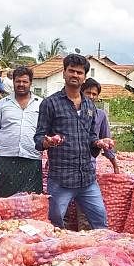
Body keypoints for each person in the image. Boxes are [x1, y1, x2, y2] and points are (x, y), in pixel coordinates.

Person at [33, 53, 115, 229]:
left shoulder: (90, 106)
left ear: (84, 77)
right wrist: (47, 142)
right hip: (61, 179)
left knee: (100, 222)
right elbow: (38, 139)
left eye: (79, 72)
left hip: (87, 179)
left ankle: (102, 254)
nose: (75, 75)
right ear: (64, 73)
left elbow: (91, 137)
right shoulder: (50, 103)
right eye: (71, 71)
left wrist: (99, 143)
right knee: (55, 225)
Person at [0, 65, 43, 197]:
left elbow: (47, 131)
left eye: (25, 81)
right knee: (1, 200)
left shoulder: (41, 104)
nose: (21, 84)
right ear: (14, 82)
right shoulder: (2, 104)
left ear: (30, 83)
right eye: (18, 81)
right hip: (6, 158)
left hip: (31, 158)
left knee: (30, 202)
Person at [80, 78, 121, 175]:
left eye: (94, 94)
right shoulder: (73, 112)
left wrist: (115, 166)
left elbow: (106, 140)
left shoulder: (100, 115)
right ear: (81, 93)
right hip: (69, 162)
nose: (91, 96)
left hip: (89, 163)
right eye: (88, 93)